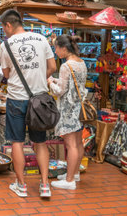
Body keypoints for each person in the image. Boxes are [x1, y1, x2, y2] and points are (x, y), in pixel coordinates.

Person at [0, 9, 56, 198]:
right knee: (40, 142)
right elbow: (53, 67)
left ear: (8, 25)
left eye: (3, 27)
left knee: (17, 142)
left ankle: (21, 185)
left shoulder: (5, 45)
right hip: (39, 100)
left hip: (16, 99)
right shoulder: (41, 39)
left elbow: (6, 75)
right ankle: (45, 185)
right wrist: (40, 78)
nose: (4, 31)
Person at [48, 35, 87, 190]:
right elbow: (73, 84)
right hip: (78, 108)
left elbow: (60, 91)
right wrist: (57, 80)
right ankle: (75, 173)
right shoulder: (81, 63)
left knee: (70, 145)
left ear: (64, 48)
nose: (55, 51)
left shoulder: (66, 66)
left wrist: (51, 82)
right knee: (78, 142)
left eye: (56, 48)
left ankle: (69, 181)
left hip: (68, 110)